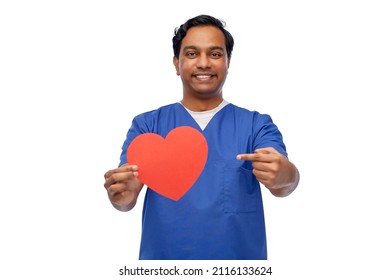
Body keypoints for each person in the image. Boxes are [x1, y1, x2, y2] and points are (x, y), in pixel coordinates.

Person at [103, 14, 300, 260]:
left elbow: (285, 184)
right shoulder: (147, 126)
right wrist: (122, 194)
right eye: (192, 53)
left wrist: (284, 175)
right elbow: (125, 200)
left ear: (229, 62)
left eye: (215, 54)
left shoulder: (256, 125)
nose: (204, 63)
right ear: (176, 63)